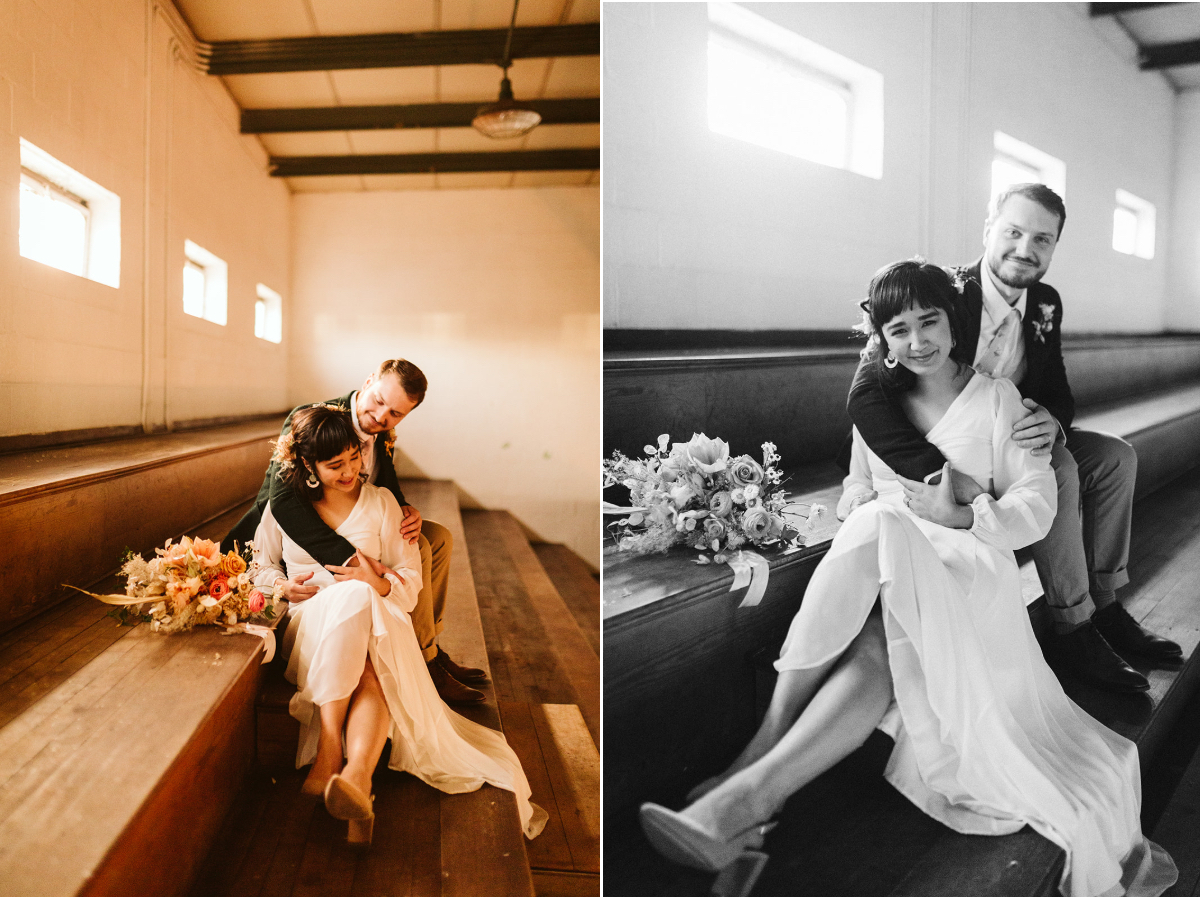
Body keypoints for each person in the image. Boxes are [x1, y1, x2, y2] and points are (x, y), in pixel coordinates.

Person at [640, 261, 1176, 897]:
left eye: (931, 323)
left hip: (972, 567)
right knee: (881, 602)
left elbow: (1036, 509)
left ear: (955, 324)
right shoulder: (882, 406)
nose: (918, 341)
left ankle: (753, 765)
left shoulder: (1000, 401)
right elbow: (858, 487)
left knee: (881, 531)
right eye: (900, 330)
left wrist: (967, 512)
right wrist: (861, 500)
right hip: (893, 566)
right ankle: (748, 797)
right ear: (880, 338)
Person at [846, 184, 1181, 693]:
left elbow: (1057, 389)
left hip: (1015, 435)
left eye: (1042, 239)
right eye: (1014, 232)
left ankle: (1107, 605)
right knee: (1060, 470)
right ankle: (1073, 627)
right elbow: (868, 390)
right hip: (963, 448)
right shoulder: (947, 294)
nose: (1026, 249)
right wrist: (951, 482)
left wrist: (1054, 422)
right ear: (989, 230)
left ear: (1054, 247)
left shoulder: (1045, 302)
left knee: (1115, 458)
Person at [254, 404, 547, 846]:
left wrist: (378, 581)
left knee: (364, 616)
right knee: (362, 627)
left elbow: (410, 587)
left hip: (381, 618)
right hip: (312, 624)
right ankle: (349, 770)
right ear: (307, 467)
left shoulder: (382, 505)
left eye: (356, 458)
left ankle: (345, 769)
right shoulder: (286, 509)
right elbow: (259, 565)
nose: (351, 471)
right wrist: (281, 588)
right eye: (335, 465)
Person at [227, 358, 488, 704]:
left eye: (395, 414)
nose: (382, 417)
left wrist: (405, 510)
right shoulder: (314, 420)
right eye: (379, 401)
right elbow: (285, 501)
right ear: (368, 382)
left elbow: (384, 478)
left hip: (354, 512)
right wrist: (356, 563)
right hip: (305, 526)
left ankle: (430, 645)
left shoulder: (381, 431)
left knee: (437, 539)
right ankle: (424, 660)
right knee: (417, 550)